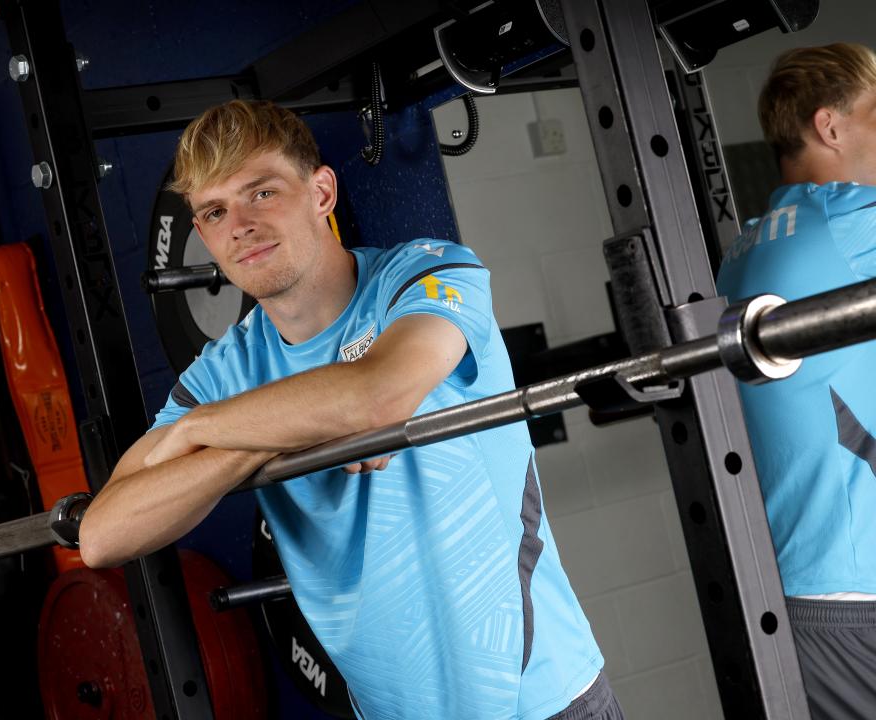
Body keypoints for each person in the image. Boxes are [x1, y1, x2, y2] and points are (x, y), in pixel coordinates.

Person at [77, 99, 622, 719]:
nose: (241, 225)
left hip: (538, 698)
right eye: (215, 211)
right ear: (202, 236)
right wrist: (277, 436)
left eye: (262, 192)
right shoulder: (225, 370)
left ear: (322, 192)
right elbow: (103, 534)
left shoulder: (425, 275)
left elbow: (378, 394)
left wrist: (203, 429)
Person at [716, 43, 876, 719]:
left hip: (804, 591)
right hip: (853, 595)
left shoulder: (744, 247)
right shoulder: (850, 223)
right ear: (829, 126)